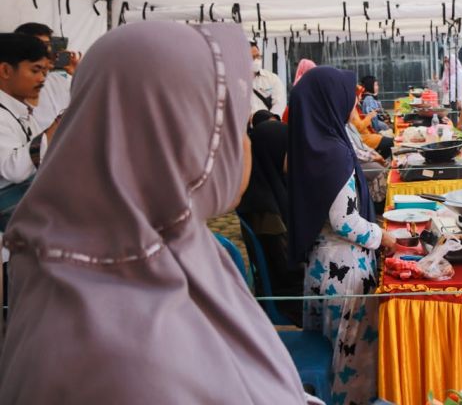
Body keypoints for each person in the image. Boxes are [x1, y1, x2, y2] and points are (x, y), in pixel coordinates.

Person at [0, 22, 312, 404]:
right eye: (230, 126)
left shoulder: (172, 243)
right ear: (172, 137)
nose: (243, 146)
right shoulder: (120, 354)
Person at [287, 66, 397, 405]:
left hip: (321, 266)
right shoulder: (333, 153)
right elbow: (345, 221)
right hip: (345, 270)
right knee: (350, 355)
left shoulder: (308, 146)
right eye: (348, 96)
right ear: (329, 100)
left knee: (331, 350)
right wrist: (384, 237)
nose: (354, 103)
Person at [236, 118, 303, 326]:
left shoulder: (268, 186)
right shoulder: (263, 210)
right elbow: (287, 268)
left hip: (289, 283)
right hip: (290, 296)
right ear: (274, 152)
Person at [0, 34, 58, 223]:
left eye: (45, 72)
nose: (42, 79)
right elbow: (14, 170)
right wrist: (57, 127)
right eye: (36, 70)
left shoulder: (22, 112)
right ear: (5, 70)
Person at [13, 22, 78, 131]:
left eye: (47, 45)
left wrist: (78, 74)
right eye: (38, 45)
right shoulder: (13, 86)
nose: (45, 50)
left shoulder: (58, 80)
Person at [351, 85, 394, 160]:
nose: (361, 97)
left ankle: (381, 159)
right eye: (376, 84)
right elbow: (359, 127)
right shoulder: (354, 109)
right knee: (392, 142)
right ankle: (381, 160)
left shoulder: (356, 107)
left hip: (368, 135)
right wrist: (369, 117)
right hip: (365, 138)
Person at [250, 41, 287, 117]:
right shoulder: (234, 82)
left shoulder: (272, 79)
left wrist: (270, 119)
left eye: (258, 56)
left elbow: (279, 103)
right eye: (252, 57)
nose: (256, 60)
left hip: (268, 122)